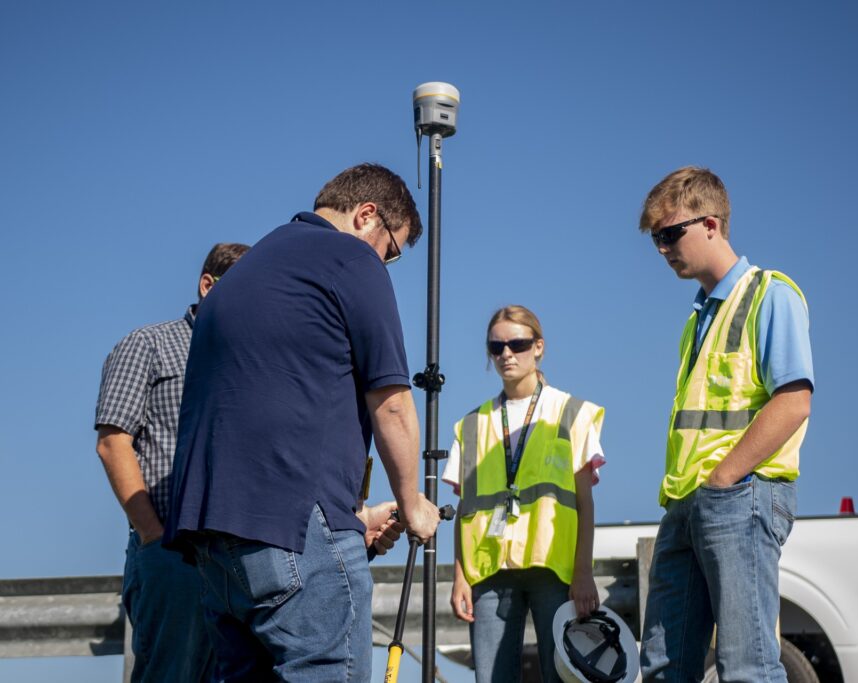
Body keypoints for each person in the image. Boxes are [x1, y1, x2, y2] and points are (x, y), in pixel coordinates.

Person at [162, 163, 441, 682]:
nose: (387, 263)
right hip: (295, 531)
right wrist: (412, 502)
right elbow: (392, 401)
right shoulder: (351, 258)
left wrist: (351, 520)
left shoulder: (243, 274)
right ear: (366, 216)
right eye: (393, 250)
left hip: (215, 542)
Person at [636, 166, 814, 682]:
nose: (662, 248)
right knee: (665, 668)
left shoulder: (770, 293)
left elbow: (794, 401)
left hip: (737, 496)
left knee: (747, 668)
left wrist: (723, 478)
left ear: (710, 224)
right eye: (655, 238)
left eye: (670, 234)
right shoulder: (698, 318)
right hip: (687, 504)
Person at [95, 242, 249, 682]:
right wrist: (152, 535)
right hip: (173, 554)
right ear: (207, 286)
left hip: (238, 559)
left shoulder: (253, 361)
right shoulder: (148, 345)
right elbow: (113, 442)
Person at [445, 305, 607, 683]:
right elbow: (464, 510)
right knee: (490, 678)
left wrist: (583, 573)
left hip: (553, 568)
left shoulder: (570, 412)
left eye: (517, 344)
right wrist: (459, 577)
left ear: (538, 348)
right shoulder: (470, 425)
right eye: (496, 346)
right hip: (487, 571)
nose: (506, 354)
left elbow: (585, 503)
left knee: (562, 675)